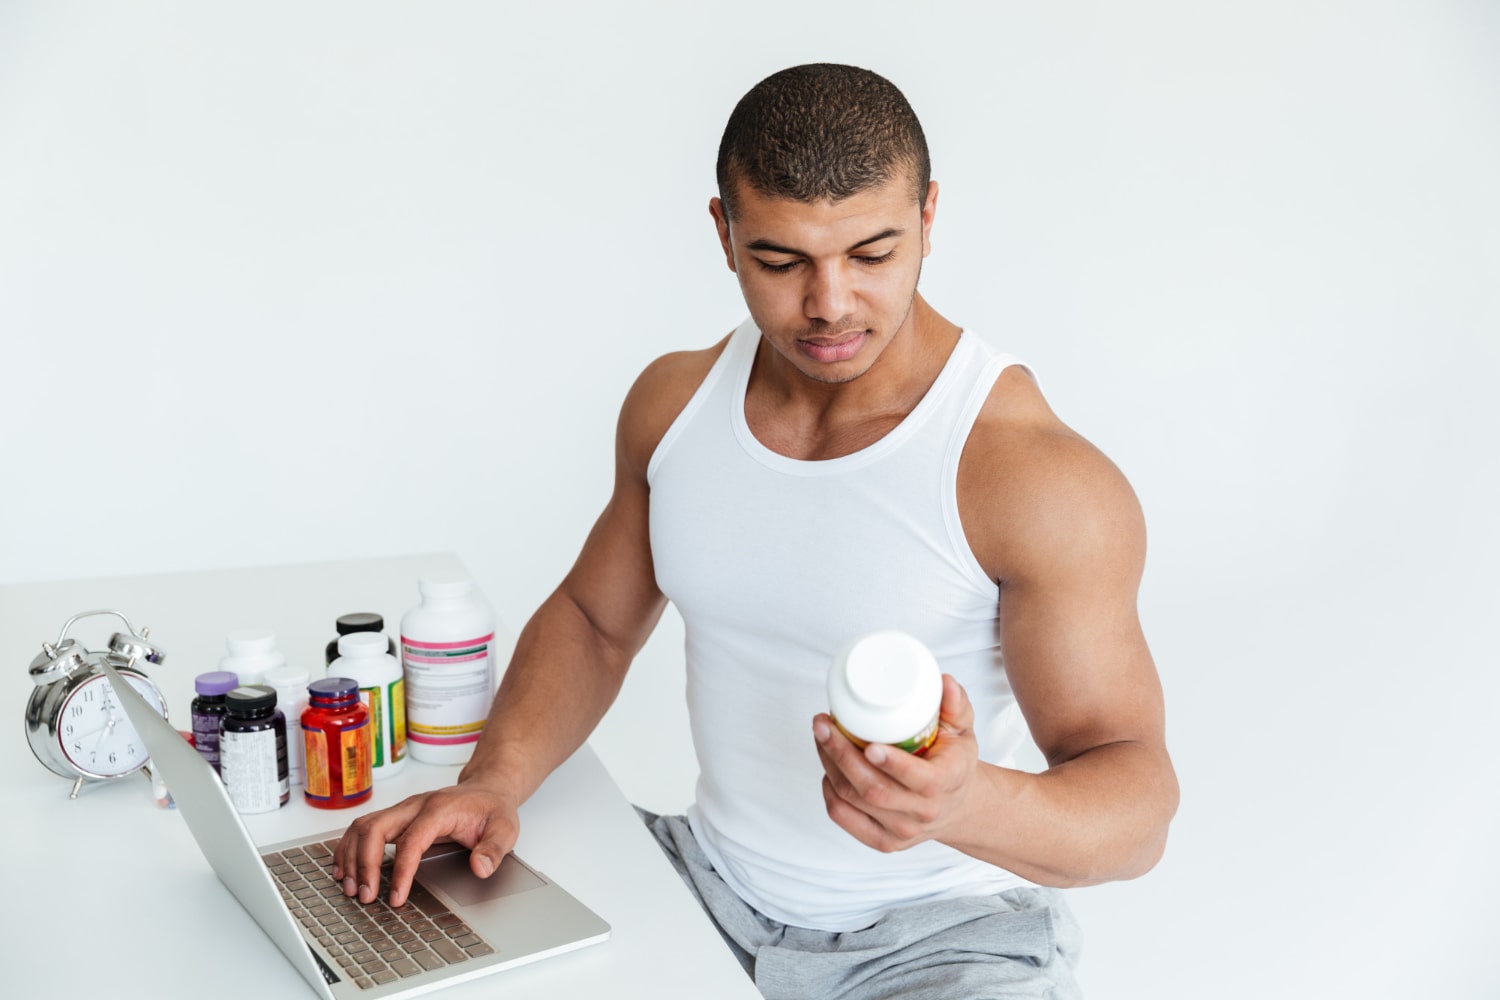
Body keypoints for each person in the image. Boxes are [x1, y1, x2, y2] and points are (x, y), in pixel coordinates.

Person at [335, 63, 1178, 999]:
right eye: (780, 261)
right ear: (722, 231)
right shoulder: (676, 404)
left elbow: (1136, 808)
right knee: (375, 933)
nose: (827, 305)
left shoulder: (1031, 476)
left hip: (944, 941)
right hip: (706, 887)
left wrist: (966, 801)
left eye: (872, 253)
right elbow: (594, 619)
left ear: (930, 218)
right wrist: (494, 781)